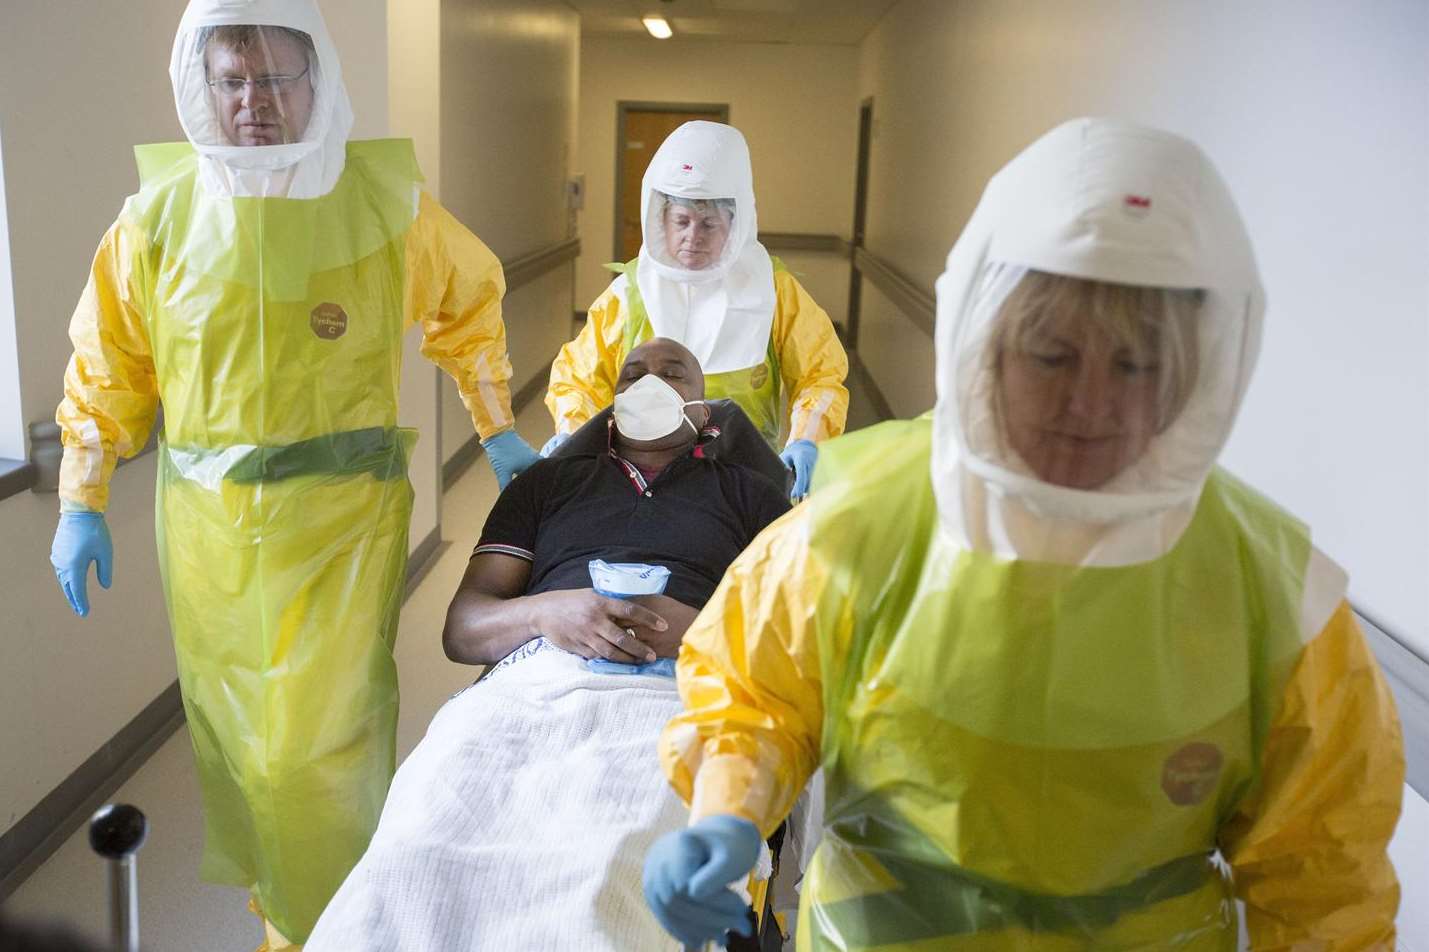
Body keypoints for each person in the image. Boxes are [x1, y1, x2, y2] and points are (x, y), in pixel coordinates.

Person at [643, 117, 1405, 950]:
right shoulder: (858, 524)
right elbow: (756, 702)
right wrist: (728, 812)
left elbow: (1322, 875)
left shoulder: (1276, 597)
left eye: (1134, 367)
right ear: (985, 348)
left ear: (1194, 373)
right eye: (1049, 357)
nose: (1089, 405)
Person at [46, 2, 537, 946]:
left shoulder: (385, 203)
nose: (254, 103)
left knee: (324, 748)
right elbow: (107, 364)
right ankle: (283, 907)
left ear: (319, 81)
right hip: (207, 534)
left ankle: (333, 924)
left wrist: (494, 427)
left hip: (343, 524)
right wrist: (81, 492)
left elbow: (466, 298)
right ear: (201, 85)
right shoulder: (157, 217)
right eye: (232, 80)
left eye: (275, 78)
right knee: (241, 744)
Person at [304, 338, 789, 951]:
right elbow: (464, 629)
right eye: (633, 374)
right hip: (535, 683)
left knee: (617, 862)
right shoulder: (547, 484)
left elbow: (801, 636)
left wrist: (701, 629)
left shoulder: (750, 495)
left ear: (704, 406)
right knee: (421, 845)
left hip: (677, 692)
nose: (651, 384)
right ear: (611, 400)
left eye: (674, 374)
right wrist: (547, 612)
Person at [544, 120, 850, 499]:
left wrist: (807, 439)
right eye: (682, 221)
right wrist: (571, 434)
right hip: (640, 481)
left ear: (737, 224)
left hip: (745, 484)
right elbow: (578, 379)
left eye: (709, 223)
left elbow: (820, 376)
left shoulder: (771, 291)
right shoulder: (631, 293)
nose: (694, 237)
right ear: (661, 221)